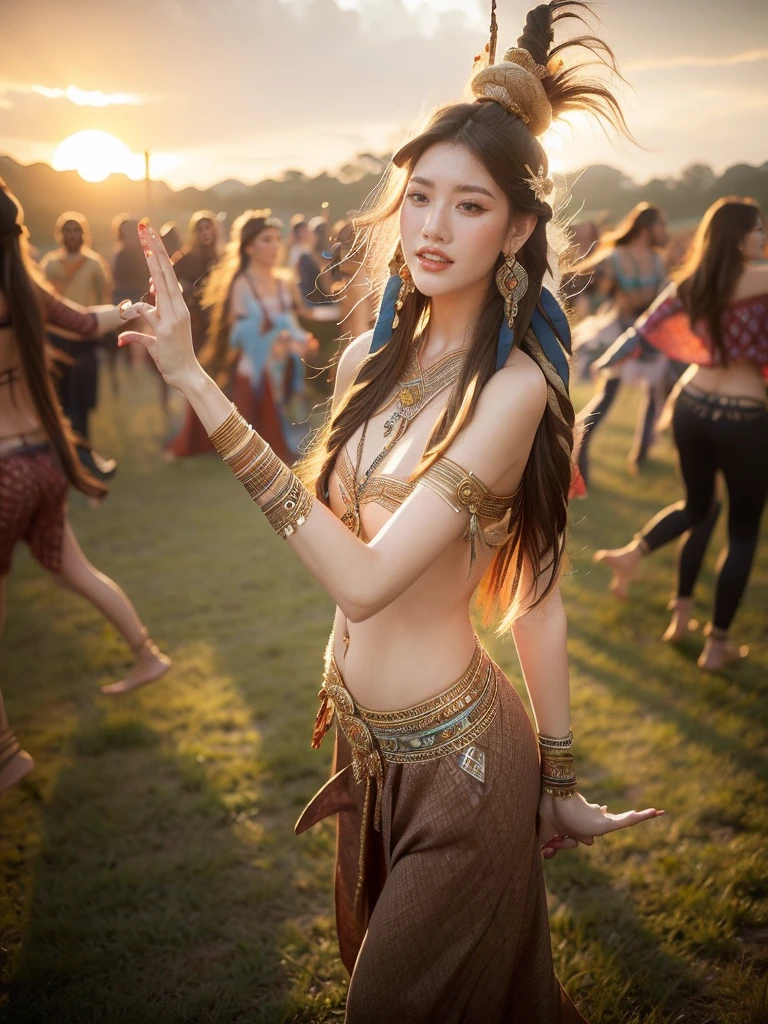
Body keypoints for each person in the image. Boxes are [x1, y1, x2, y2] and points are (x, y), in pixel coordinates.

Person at [120, 4, 664, 1019]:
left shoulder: (516, 394)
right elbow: (456, 574)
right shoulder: (374, 361)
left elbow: (374, 582)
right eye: (419, 197)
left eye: (468, 205)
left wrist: (199, 383)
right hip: (364, 757)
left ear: (519, 227)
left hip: (460, 765)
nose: (430, 227)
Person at [0, 181, 171, 796]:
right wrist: (138, 309)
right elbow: (88, 320)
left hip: (2, 472)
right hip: (45, 459)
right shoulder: (26, 291)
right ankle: (146, 652)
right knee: (76, 568)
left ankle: (4, 754)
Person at [593, 197, 768, 671]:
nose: (763, 237)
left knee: (697, 507)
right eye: (757, 230)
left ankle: (634, 553)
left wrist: (603, 362)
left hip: (692, 407)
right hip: (743, 416)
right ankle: (718, 644)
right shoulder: (763, 279)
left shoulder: (691, 284)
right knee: (744, 533)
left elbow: (643, 332)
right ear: (737, 237)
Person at [165, 212, 314, 461]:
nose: (275, 245)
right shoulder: (242, 284)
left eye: (277, 239)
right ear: (250, 248)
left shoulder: (283, 282)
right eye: (267, 240)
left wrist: (301, 340)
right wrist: (274, 336)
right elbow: (236, 334)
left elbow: (291, 323)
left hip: (284, 358)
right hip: (256, 362)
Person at [571, 203, 669, 482]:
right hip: (618, 333)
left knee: (655, 391)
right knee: (608, 395)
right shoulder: (614, 257)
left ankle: (640, 454)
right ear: (645, 228)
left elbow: (662, 301)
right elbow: (595, 289)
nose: (664, 230)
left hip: (648, 333)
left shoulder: (658, 261)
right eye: (660, 224)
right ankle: (579, 450)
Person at [39, 212, 117, 480]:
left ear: (84, 234)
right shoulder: (49, 265)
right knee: (59, 403)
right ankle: (59, 461)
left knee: (82, 404)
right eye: (68, 231)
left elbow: (104, 298)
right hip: (56, 342)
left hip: (85, 342)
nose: (73, 236)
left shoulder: (95, 264)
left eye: (77, 231)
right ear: (60, 235)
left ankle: (85, 458)